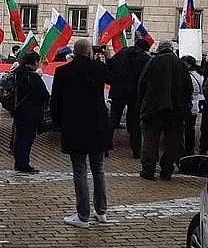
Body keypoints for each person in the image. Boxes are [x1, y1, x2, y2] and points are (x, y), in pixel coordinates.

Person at [51, 38, 112, 228]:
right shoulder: (99, 69)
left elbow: (56, 101)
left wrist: (57, 123)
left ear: (74, 52)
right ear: (89, 52)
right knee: (98, 169)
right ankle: (101, 211)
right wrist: (107, 58)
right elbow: (115, 78)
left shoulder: (63, 71)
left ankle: (83, 214)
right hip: (98, 125)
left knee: (79, 170)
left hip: (74, 125)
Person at [137, 41, 192, 181]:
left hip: (153, 108)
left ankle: (148, 169)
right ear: (171, 49)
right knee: (173, 141)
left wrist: (140, 103)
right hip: (176, 110)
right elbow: (188, 88)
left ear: (160, 49)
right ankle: (167, 168)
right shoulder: (181, 64)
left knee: (151, 139)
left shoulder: (153, 62)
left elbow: (142, 83)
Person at [107, 38, 151, 157]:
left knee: (112, 120)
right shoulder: (145, 59)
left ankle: (105, 147)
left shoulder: (121, 53)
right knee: (135, 123)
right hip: (135, 95)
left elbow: (110, 65)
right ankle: (136, 151)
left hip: (118, 92)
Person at [11, 51, 50, 173]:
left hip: (18, 110)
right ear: (34, 62)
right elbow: (44, 95)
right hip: (30, 112)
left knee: (20, 137)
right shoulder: (32, 76)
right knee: (26, 138)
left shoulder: (18, 73)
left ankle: (19, 162)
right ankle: (23, 164)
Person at [181, 55, 204, 156]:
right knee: (191, 127)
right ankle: (190, 149)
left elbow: (189, 91)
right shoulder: (200, 74)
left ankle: (188, 149)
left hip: (190, 103)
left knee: (188, 128)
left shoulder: (188, 76)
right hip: (197, 104)